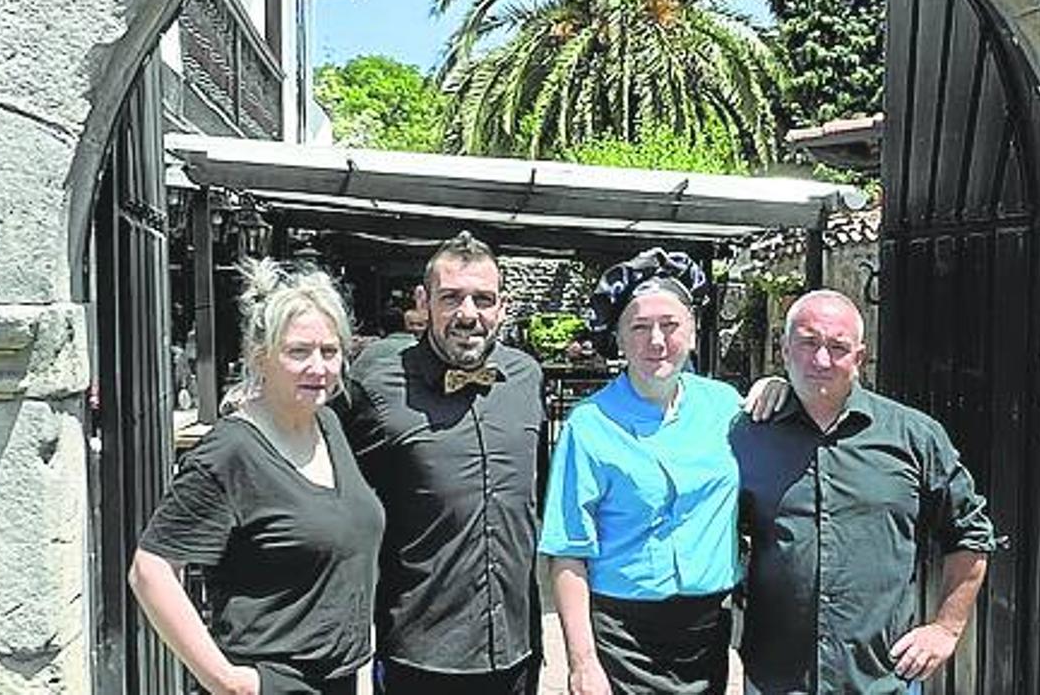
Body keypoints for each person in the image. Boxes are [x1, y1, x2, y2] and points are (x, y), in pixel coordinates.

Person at [129, 259, 385, 695]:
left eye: (330, 351)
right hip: (267, 680)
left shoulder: (329, 426)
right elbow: (149, 570)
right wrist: (227, 681)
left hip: (336, 681)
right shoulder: (232, 451)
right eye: (298, 351)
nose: (318, 368)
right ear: (259, 356)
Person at [538, 248, 785, 695]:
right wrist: (582, 662)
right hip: (623, 633)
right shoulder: (589, 425)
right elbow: (568, 549)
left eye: (670, 326)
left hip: (706, 631)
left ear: (691, 332)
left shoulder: (727, 407)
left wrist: (779, 387)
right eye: (639, 326)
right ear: (618, 338)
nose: (656, 341)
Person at [731, 289, 997, 694]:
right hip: (774, 680)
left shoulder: (913, 437)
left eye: (837, 347)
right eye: (807, 343)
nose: (821, 360)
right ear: (783, 350)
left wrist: (946, 629)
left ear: (859, 357)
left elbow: (972, 534)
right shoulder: (746, 435)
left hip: (882, 681)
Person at [342, 231, 544, 694]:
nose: (468, 314)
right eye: (451, 298)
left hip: (515, 649)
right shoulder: (374, 383)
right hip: (420, 654)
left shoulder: (526, 377)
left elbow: (537, 498)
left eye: (483, 299)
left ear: (502, 307)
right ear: (423, 301)